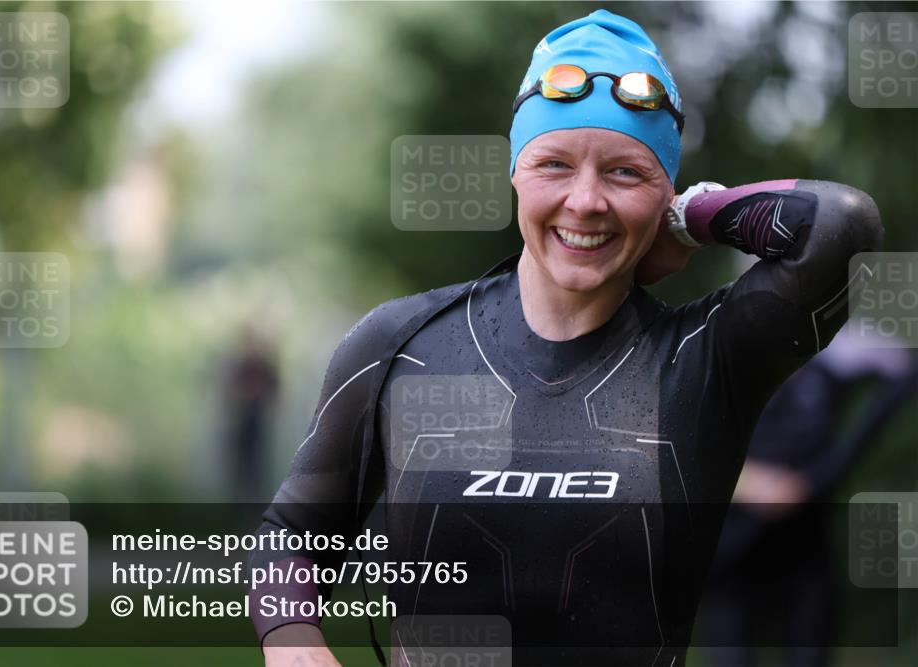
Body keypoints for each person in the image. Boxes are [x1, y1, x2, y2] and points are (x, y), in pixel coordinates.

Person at [249, 10, 883, 667]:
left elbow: (841, 223)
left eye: (624, 173)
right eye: (554, 163)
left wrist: (690, 218)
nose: (585, 201)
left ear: (665, 190)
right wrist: (294, 642)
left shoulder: (706, 358)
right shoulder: (399, 344)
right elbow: (291, 534)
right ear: (515, 172)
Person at [698, 331, 917, 667]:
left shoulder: (837, 355)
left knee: (810, 649)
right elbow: (669, 442)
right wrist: (749, 482)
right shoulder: (715, 356)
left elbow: (903, 369)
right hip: (734, 543)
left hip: (806, 536)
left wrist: (819, 478)